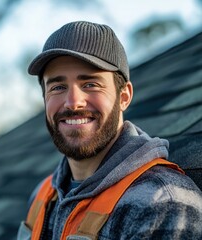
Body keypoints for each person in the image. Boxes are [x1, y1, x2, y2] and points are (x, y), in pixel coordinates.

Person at [17, 21, 202, 240]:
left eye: (90, 84)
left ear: (124, 97)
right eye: (57, 87)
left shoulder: (162, 202)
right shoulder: (42, 194)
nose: (73, 103)